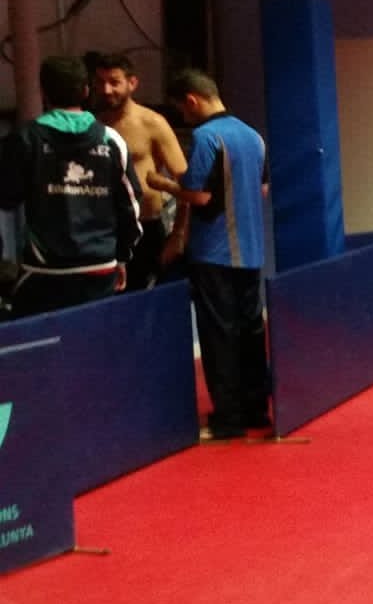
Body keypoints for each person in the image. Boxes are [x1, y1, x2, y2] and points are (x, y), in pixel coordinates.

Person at [155, 70, 270, 440]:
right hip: (251, 251)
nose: (184, 117)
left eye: (182, 110)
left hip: (215, 253)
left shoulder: (206, 137)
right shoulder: (253, 136)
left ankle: (228, 419)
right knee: (251, 333)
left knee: (219, 336)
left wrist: (162, 184)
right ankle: (256, 410)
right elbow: (262, 189)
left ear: (192, 101)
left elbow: (200, 195)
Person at [0, 55, 141, 317]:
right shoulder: (112, 140)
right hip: (100, 269)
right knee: (95, 338)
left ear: (43, 93)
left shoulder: (24, 139)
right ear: (86, 91)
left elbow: (7, 197)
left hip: (44, 271)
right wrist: (122, 256)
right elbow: (130, 207)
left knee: (42, 341)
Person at [88, 50, 187, 289]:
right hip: (104, 230)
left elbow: (186, 181)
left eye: (114, 82)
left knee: (144, 299)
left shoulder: (152, 123)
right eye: (100, 82)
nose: (106, 89)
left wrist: (178, 235)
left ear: (132, 83)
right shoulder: (91, 124)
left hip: (146, 228)